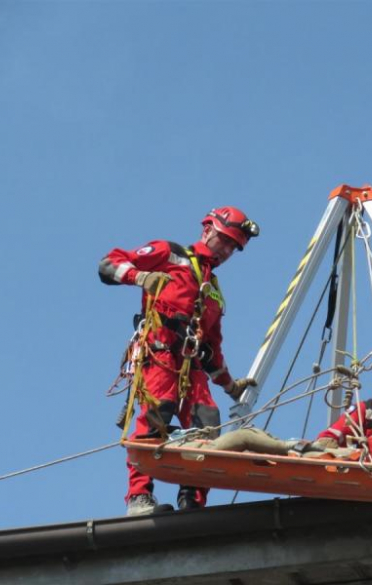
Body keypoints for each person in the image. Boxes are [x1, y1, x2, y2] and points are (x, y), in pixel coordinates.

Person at [99, 206, 259, 515]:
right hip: (159, 353)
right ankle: (139, 497)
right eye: (224, 240)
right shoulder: (169, 253)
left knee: (208, 424)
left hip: (191, 362)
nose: (226, 250)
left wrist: (231, 385)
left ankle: (192, 501)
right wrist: (139, 276)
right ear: (207, 230)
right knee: (158, 413)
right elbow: (109, 265)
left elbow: (212, 349)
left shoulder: (213, 292)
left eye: (233, 247)